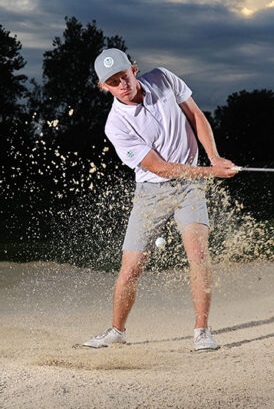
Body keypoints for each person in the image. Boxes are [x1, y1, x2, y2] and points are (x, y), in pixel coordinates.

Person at [82, 48, 238, 352]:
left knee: (198, 253)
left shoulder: (164, 78)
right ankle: (117, 331)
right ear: (105, 87)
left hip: (189, 187)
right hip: (151, 192)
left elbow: (195, 114)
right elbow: (159, 167)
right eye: (113, 82)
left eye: (124, 76)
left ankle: (202, 331)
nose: (122, 85)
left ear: (134, 70)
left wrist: (215, 156)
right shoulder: (116, 125)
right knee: (130, 268)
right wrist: (210, 171)